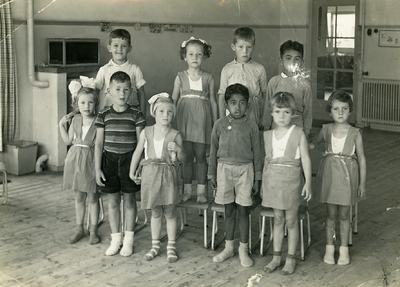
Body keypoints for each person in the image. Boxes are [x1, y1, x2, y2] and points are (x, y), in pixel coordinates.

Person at [309, 90, 366, 266]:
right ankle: (329, 248)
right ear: (330, 111)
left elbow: (362, 158)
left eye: (344, 108)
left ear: (350, 111)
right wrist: (304, 142)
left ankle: (343, 250)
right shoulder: (326, 129)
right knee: (331, 214)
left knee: (344, 214)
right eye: (336, 109)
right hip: (330, 176)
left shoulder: (355, 132)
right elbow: (314, 143)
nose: (340, 112)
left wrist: (362, 183)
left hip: (347, 178)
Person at [208, 83, 262, 268]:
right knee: (229, 211)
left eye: (242, 103)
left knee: (243, 212)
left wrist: (257, 178)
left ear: (248, 105)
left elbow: (257, 154)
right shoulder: (219, 125)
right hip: (224, 170)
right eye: (233, 103)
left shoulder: (252, 126)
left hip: (245, 171)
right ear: (226, 105)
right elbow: (213, 149)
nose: (237, 107)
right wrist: (211, 173)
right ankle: (229, 247)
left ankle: (243, 250)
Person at [94, 71, 146, 256]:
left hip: (130, 162)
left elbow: (141, 143)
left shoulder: (136, 115)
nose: (122, 93)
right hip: (109, 161)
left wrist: (139, 165)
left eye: (125, 89)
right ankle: (116, 239)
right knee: (113, 201)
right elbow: (99, 143)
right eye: (117, 89)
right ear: (109, 91)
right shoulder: (103, 115)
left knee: (130, 201)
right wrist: (97, 167)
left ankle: (129, 240)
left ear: (131, 91)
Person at [130, 93, 186, 263]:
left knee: (169, 212)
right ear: (154, 112)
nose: (165, 115)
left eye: (169, 112)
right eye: (161, 111)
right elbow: (138, 152)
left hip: (168, 177)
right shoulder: (146, 132)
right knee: (155, 213)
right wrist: (132, 172)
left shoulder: (175, 135)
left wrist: (178, 149)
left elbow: (183, 158)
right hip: (151, 177)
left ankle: (171, 246)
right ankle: (155, 246)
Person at [262, 92, 312, 275]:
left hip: (291, 182)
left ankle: (290, 258)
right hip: (273, 182)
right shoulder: (267, 135)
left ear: (293, 113)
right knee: (278, 220)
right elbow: (266, 162)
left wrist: (308, 183)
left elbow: (305, 159)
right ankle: (276, 258)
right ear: (272, 113)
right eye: (278, 111)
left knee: (291, 221)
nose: (282, 116)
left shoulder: (298, 133)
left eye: (286, 112)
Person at [172, 36, 218, 204]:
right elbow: (173, 100)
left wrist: (216, 123)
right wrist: (171, 123)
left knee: (200, 157)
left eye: (199, 54)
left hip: (202, 122)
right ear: (184, 56)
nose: (195, 58)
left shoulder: (209, 78)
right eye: (191, 54)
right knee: (187, 156)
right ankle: (186, 191)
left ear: (204, 56)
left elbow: (213, 101)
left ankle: (201, 191)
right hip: (185, 122)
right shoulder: (179, 77)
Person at [59, 77, 100, 245]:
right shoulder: (75, 120)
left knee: (93, 198)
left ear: (95, 104)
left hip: (90, 161)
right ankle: (79, 228)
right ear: (77, 104)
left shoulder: (99, 122)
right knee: (79, 197)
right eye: (82, 103)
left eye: (90, 103)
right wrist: (61, 126)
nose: (86, 106)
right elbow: (68, 141)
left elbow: (100, 146)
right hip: (75, 162)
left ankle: (94, 230)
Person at [217, 27, 267, 129]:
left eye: (249, 47)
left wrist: (264, 119)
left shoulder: (260, 69)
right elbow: (222, 95)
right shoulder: (227, 69)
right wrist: (222, 119)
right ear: (233, 46)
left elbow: (265, 95)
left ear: (254, 47)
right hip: (233, 112)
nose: (245, 51)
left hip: (253, 112)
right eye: (240, 47)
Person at [262, 40, 312, 137]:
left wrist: (306, 131)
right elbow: (268, 107)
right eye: (288, 58)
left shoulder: (304, 84)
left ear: (302, 62)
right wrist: (266, 127)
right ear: (281, 61)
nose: (292, 62)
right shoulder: (274, 81)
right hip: (277, 123)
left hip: (297, 124)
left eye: (297, 59)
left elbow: (308, 110)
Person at [94, 29, 146, 115]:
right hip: (110, 113)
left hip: (132, 112)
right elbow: (94, 93)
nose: (119, 49)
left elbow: (142, 95)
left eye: (124, 46)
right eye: (116, 45)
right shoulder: (104, 70)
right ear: (109, 48)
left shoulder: (135, 69)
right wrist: (96, 115)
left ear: (129, 48)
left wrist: (143, 116)